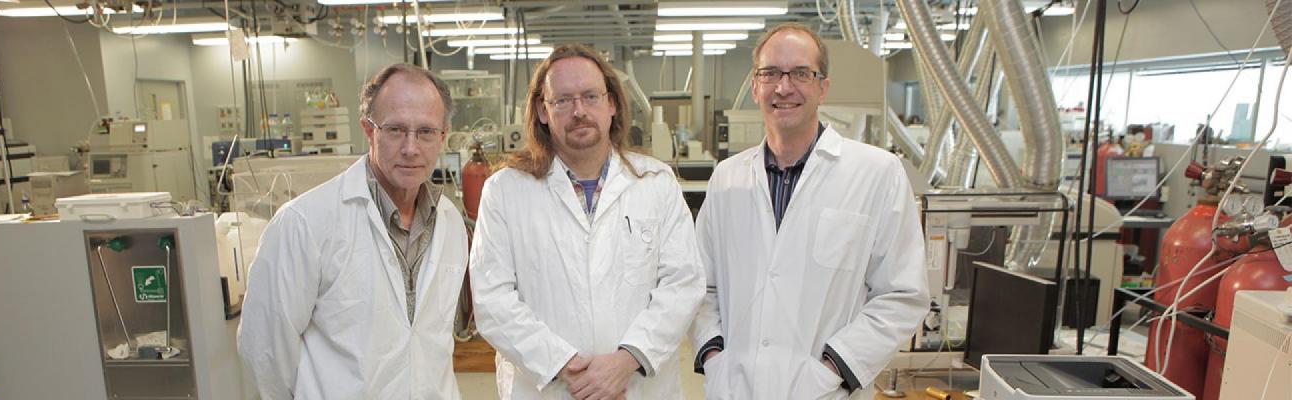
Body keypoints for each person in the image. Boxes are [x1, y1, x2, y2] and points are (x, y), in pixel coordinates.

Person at [689, 22, 930, 399]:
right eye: (770, 73)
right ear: (755, 86)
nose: (784, 87)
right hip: (737, 388)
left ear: (823, 87)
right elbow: (702, 285)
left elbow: (902, 294)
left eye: (801, 73)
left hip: (824, 391)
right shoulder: (727, 178)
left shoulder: (876, 173)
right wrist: (715, 356)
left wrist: (833, 368)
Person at [470, 43, 705, 400]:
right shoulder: (505, 191)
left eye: (590, 96)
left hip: (637, 386)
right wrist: (566, 365)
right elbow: (492, 298)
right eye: (562, 100)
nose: (578, 110)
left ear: (611, 104)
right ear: (542, 111)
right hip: (550, 387)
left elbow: (683, 283)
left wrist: (626, 361)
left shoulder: (656, 183)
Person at [238, 63, 469, 399]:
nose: (411, 147)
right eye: (395, 130)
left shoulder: (450, 222)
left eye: (425, 132)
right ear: (368, 130)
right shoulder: (305, 223)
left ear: (443, 136)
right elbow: (264, 350)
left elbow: (431, 342)